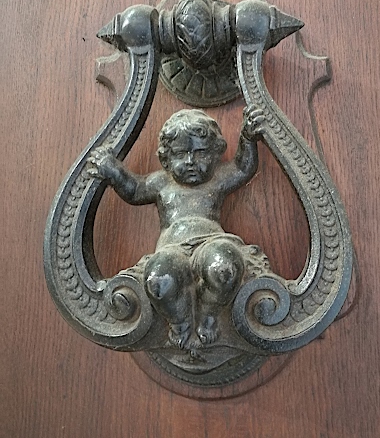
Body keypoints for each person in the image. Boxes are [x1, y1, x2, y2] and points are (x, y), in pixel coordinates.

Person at [88, 106, 265, 349]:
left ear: (215, 154)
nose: (191, 162)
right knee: (159, 279)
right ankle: (179, 322)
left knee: (224, 267)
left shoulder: (217, 179)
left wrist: (247, 137)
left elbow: (243, 168)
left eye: (201, 153)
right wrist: (113, 171)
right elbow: (134, 190)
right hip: (172, 249)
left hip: (210, 242)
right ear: (166, 159)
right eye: (181, 154)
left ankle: (209, 316)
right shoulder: (161, 183)